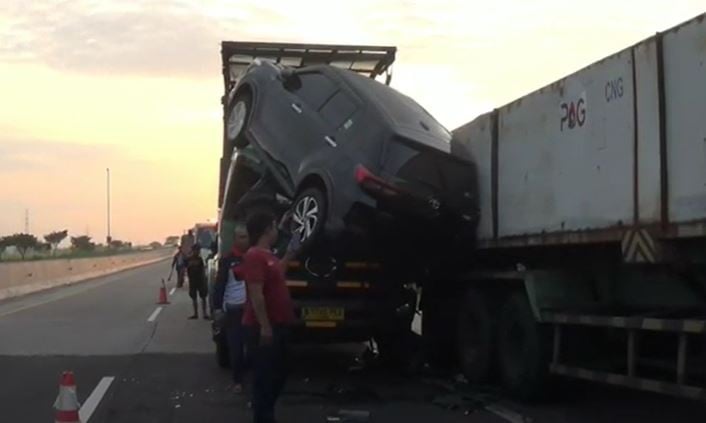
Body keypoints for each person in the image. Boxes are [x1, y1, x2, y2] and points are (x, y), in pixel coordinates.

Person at [242, 211, 300, 423]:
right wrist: (265, 326)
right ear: (267, 229)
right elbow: (256, 293)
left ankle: (266, 414)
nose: (277, 230)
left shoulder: (269, 256)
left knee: (280, 374)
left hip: (280, 324)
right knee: (265, 379)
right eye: (275, 226)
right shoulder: (254, 255)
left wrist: (289, 255)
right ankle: (263, 418)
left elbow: (278, 272)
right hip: (264, 328)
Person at [213, 224, 250, 393]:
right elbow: (219, 285)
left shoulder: (253, 257)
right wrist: (217, 308)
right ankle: (238, 382)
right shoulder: (227, 260)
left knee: (255, 349)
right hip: (233, 311)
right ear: (235, 239)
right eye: (241, 237)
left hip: (251, 310)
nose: (245, 240)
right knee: (235, 348)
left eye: (247, 236)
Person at [185, 245, 209, 320]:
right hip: (192, 281)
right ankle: (195, 314)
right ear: (193, 250)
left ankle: (204, 314)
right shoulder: (188, 259)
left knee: (203, 297)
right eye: (196, 250)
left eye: (198, 250)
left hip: (200, 280)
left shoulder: (200, 259)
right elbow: (186, 269)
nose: (197, 252)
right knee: (194, 297)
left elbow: (203, 270)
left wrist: (204, 280)